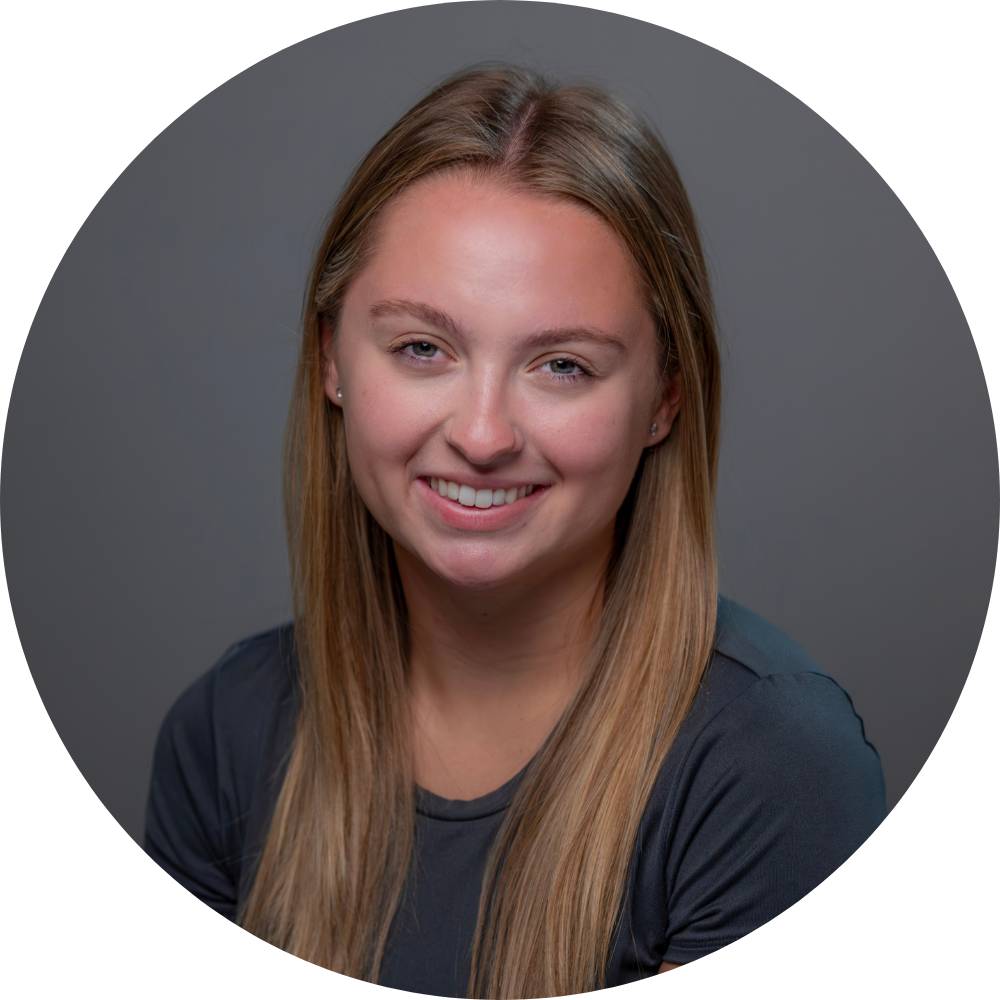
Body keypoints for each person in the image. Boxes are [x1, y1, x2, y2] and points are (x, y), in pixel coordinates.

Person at [143, 64, 887, 999]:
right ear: (331, 358)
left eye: (563, 365)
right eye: (423, 348)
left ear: (662, 400)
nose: (484, 434)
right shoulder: (225, 733)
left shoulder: (771, 767)